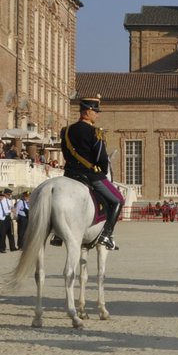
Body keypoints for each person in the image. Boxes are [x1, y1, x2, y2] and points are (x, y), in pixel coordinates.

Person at [61, 95, 124, 250]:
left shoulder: (66, 130)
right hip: (90, 175)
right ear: (87, 112)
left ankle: (57, 235)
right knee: (118, 200)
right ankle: (106, 234)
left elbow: (65, 152)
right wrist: (102, 170)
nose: (97, 114)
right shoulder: (95, 132)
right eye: (95, 111)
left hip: (69, 174)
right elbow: (101, 158)